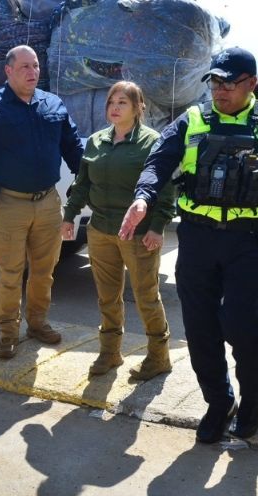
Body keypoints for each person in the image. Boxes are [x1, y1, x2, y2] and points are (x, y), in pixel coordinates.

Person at [119, 47, 258, 443]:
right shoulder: (193, 120)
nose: (220, 91)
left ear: (251, 84)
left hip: (248, 239)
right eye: (216, 82)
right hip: (198, 239)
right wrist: (144, 196)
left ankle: (253, 399)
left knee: (240, 323)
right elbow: (158, 161)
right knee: (200, 329)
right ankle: (219, 403)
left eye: (230, 83)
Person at [0, 45, 84, 359]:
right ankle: (7, 332)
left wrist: (87, 183)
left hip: (47, 203)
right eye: (26, 67)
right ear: (9, 71)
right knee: (11, 272)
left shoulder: (53, 104)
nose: (33, 73)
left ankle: (38, 323)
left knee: (45, 270)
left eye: (36, 67)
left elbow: (72, 147)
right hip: (10, 204)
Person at [62, 81, 176, 379]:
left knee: (146, 296)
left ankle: (159, 356)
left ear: (139, 108)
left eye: (123, 102)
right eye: (112, 102)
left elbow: (165, 189)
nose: (115, 107)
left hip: (138, 234)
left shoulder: (153, 142)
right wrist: (69, 216)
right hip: (100, 230)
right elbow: (82, 183)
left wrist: (157, 227)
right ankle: (110, 352)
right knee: (107, 295)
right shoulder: (96, 141)